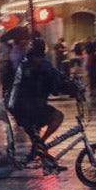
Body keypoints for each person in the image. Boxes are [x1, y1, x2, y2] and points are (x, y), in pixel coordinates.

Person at [7, 38, 80, 167]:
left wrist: (68, 84)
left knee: (36, 134)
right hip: (28, 106)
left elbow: (55, 76)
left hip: (19, 106)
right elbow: (55, 81)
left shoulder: (27, 62)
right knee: (57, 116)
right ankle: (41, 145)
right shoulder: (39, 65)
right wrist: (72, 89)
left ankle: (41, 153)